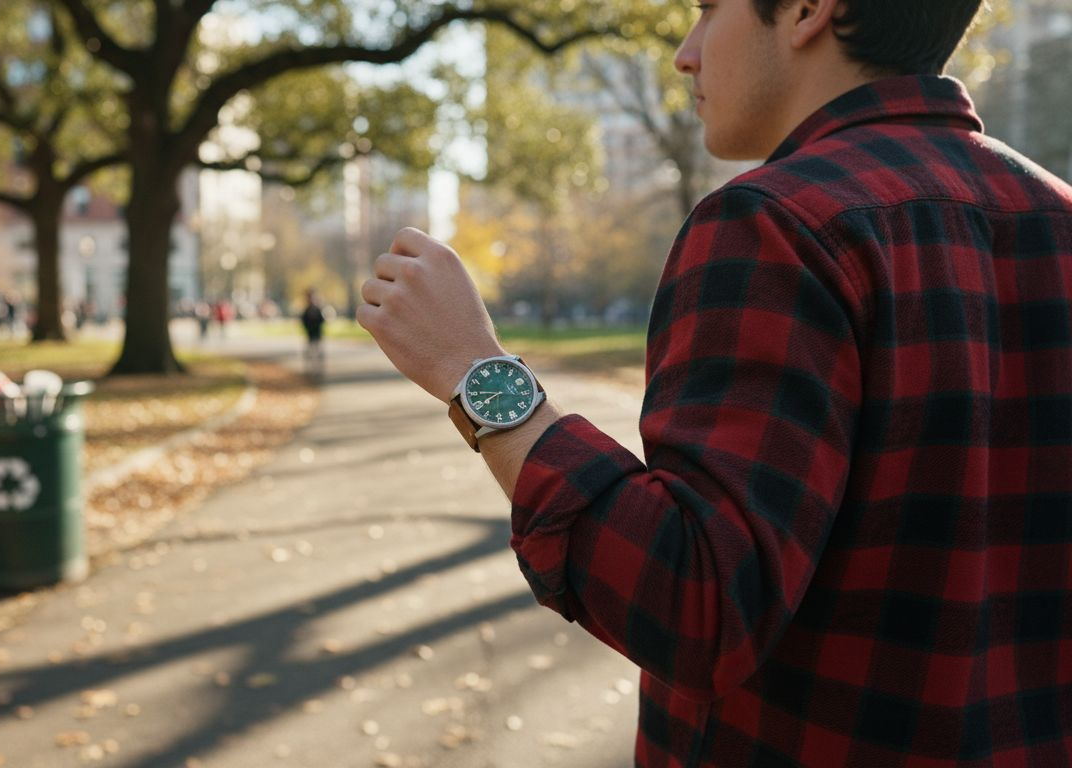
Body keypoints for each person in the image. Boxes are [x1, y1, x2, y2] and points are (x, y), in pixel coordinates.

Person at [359, 1, 1072, 765]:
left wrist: (475, 372)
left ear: (805, 11)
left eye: (707, 10)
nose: (685, 54)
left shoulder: (776, 224)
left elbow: (695, 602)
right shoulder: (1058, 220)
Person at [300, 288, 326, 380]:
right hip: (310, 336)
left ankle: (318, 371)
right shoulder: (306, 311)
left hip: (317, 335)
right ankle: (310, 372)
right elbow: (303, 322)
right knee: (310, 354)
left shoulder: (318, 309)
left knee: (318, 354)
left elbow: (322, 321)